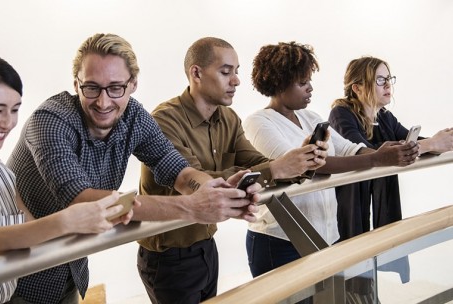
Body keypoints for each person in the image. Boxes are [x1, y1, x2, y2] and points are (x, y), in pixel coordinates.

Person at [6, 33, 260, 304]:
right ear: (76, 84)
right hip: (12, 278)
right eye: (91, 88)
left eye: (116, 88)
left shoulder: (134, 116)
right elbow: (81, 200)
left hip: (69, 270)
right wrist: (192, 207)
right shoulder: (51, 121)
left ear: (133, 84)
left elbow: (179, 171)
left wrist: (213, 190)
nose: (103, 102)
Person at [0, 52, 130, 304]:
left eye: (15, 110)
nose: (8, 122)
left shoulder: (2, 175)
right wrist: (66, 220)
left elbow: (35, 237)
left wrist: (100, 220)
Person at [136, 37, 329, 304]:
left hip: (206, 244)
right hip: (169, 255)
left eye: (236, 72)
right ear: (196, 73)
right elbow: (192, 178)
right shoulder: (164, 120)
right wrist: (273, 168)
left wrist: (300, 161)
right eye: (226, 72)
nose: (236, 80)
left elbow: (256, 162)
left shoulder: (229, 118)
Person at [242, 42, 419, 303]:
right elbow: (305, 165)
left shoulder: (311, 117)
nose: (310, 88)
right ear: (280, 83)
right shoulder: (258, 122)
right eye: (303, 82)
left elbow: (348, 149)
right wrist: (377, 159)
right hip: (280, 240)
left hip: (326, 235)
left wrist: (381, 155)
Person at [328, 56, 453, 299]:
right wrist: (430, 143)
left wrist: (442, 142)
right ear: (358, 87)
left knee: (370, 267)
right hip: (348, 206)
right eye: (380, 80)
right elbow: (369, 154)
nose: (388, 86)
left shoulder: (384, 116)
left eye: (389, 79)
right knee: (352, 270)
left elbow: (410, 143)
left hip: (371, 202)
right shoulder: (340, 114)